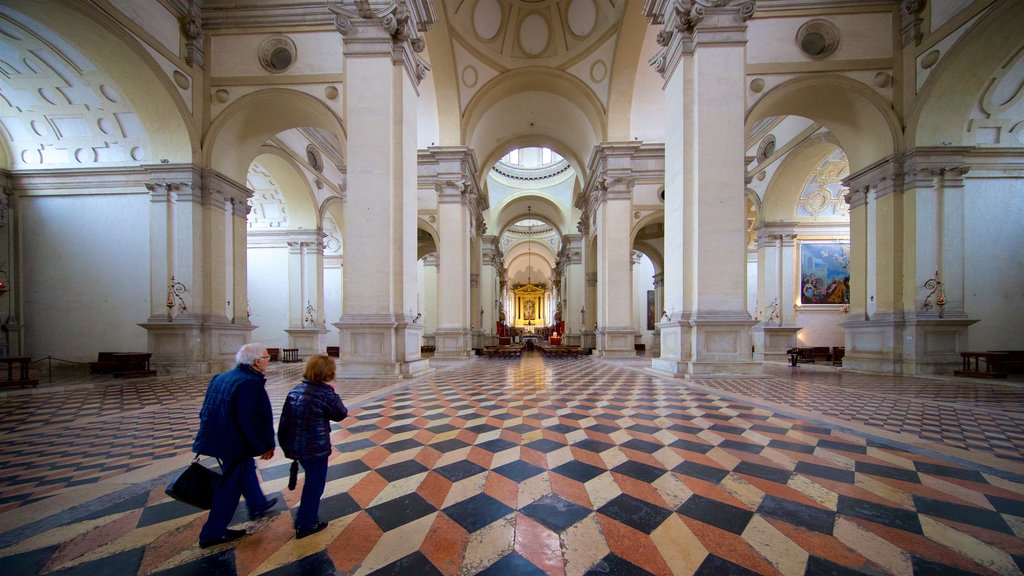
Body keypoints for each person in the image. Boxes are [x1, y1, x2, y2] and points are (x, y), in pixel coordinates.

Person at [192, 343, 278, 548]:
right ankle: (212, 532)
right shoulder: (249, 383)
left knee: (245, 470)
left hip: (218, 436)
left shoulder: (222, 377)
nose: (268, 361)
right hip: (233, 442)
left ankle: (258, 504)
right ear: (257, 362)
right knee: (230, 486)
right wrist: (264, 445)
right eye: (267, 358)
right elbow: (251, 420)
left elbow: (206, 409)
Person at [277, 354, 348, 539]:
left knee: (311, 481)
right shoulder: (324, 393)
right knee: (314, 485)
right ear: (328, 372)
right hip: (315, 447)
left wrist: (286, 446)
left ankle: (304, 518)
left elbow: (284, 422)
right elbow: (341, 414)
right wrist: (333, 393)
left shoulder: (295, 391)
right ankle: (306, 523)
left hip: (296, 446)